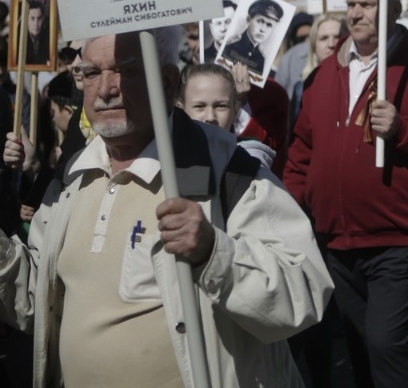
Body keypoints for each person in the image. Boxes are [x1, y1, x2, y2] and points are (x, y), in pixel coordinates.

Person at [0, 27, 333, 386]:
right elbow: (38, 300)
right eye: (93, 73)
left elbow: (305, 291)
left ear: (168, 81)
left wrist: (213, 253)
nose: (108, 88)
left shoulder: (223, 169)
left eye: (126, 70)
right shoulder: (72, 177)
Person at [284, 0, 408, 388]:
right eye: (351, 4)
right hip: (335, 238)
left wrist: (404, 129)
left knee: (384, 341)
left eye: (367, 4)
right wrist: (294, 205)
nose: (355, 13)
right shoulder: (324, 74)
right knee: (358, 345)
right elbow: (301, 150)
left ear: (394, 8)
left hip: (397, 234)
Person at [221, 0, 284, 77]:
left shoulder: (261, 59)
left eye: (269, 25)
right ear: (248, 20)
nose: (262, 29)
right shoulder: (229, 45)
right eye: (260, 21)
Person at [202, 0, 237, 64]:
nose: (223, 29)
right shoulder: (203, 58)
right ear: (212, 29)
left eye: (228, 22)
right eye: (218, 23)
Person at [24, 0, 50, 65]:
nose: (36, 23)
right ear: (26, 18)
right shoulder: (19, 39)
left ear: (43, 18)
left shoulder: (49, 37)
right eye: (32, 18)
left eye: (39, 18)